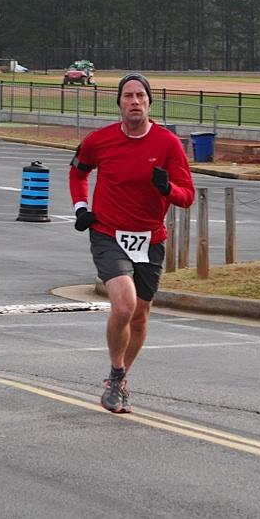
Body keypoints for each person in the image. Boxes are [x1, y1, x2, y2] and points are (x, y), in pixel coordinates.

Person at [68, 73, 194, 413]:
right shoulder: (100, 140)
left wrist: (168, 189)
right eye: (128, 96)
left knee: (140, 316)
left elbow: (187, 197)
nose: (134, 102)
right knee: (123, 306)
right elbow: (78, 172)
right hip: (108, 233)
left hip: (150, 238)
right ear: (120, 103)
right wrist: (81, 208)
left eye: (140, 96)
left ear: (150, 102)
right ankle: (115, 370)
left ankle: (120, 381)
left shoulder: (168, 144)